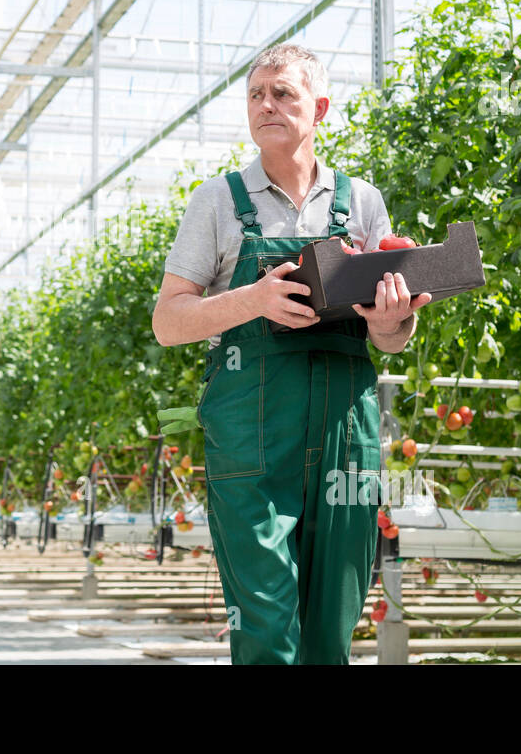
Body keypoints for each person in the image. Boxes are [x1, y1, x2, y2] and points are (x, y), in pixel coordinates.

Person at [151, 43, 430, 664]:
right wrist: (254, 300)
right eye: (255, 94)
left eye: (283, 93)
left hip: (344, 431)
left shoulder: (360, 204)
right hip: (251, 432)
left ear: (320, 108)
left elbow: (385, 339)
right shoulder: (218, 202)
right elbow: (168, 322)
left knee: (332, 625)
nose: (266, 105)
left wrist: (393, 322)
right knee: (266, 626)